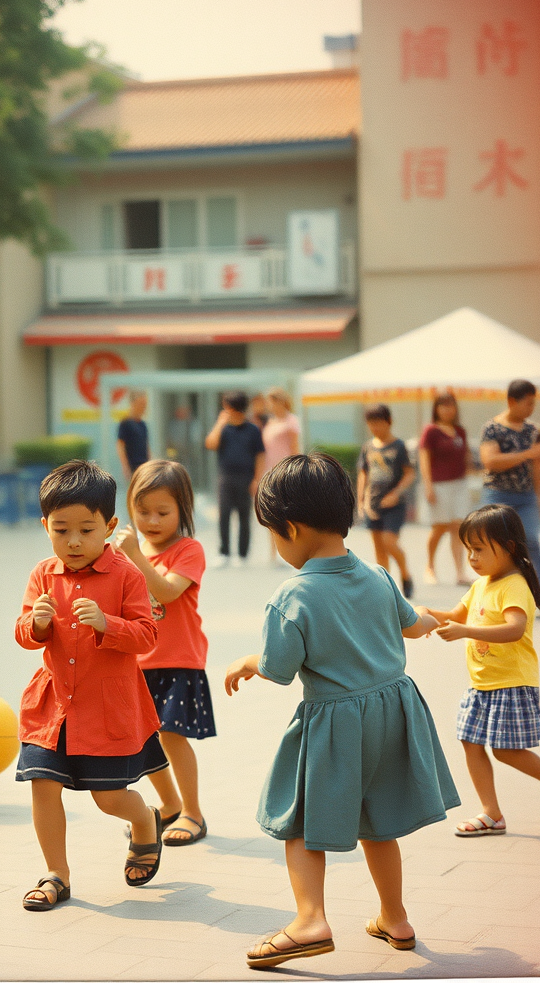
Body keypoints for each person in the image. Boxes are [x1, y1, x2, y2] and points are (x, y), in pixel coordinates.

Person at [224, 453, 457, 970]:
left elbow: (278, 667)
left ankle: (310, 920)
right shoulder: (376, 574)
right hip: (394, 713)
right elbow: (412, 623)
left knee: (299, 822)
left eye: (274, 535)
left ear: (292, 528)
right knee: (380, 823)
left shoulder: (294, 595)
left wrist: (246, 661)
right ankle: (395, 918)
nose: (277, 546)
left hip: (335, 723)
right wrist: (434, 619)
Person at [14, 460, 166, 909]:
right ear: (45, 526)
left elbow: (148, 635)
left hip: (105, 708)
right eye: (61, 530)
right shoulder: (43, 574)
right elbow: (24, 632)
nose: (73, 541)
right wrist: (35, 625)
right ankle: (56, 875)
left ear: (110, 526)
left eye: (86, 529)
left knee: (108, 797)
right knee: (43, 784)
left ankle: (144, 820)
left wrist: (108, 624)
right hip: (53, 706)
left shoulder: (128, 575)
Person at [421, 505, 540, 838]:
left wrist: (466, 631)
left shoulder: (514, 585)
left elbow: (514, 629)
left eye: (479, 549)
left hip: (511, 683)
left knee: (505, 750)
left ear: (508, 547)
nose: (472, 557)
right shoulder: (482, 583)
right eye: (468, 549)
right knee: (469, 741)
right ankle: (491, 813)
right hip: (481, 683)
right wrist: (422, 614)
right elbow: (454, 613)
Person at [115, 460, 214, 845]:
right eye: (142, 512)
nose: (152, 520)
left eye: (162, 512)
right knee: (145, 740)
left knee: (172, 735)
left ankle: (193, 812)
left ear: (183, 510)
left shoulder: (188, 550)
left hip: (177, 659)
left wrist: (136, 556)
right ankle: (169, 805)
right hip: (137, 662)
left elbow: (168, 592)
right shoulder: (127, 553)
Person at [478, 379, 540, 614]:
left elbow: (537, 466)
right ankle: (491, 597)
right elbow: (490, 461)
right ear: (512, 401)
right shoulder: (492, 428)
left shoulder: (532, 430)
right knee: (494, 545)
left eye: (533, 403)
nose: (531, 408)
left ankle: (538, 596)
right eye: (528, 403)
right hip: (497, 494)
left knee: (531, 540)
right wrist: (528, 453)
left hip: (526, 495)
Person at [357, 403, 415, 597]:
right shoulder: (368, 447)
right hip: (373, 503)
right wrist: (361, 499)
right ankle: (386, 587)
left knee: (389, 542)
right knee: (379, 548)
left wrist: (396, 493)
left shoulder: (398, 446)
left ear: (388, 422)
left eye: (379, 423)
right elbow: (363, 474)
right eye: (371, 424)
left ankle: (405, 575)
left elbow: (409, 473)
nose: (375, 428)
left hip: (394, 504)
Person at [205, 390, 265, 568]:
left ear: (232, 407)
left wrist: (257, 479)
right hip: (226, 476)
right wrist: (220, 423)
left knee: (244, 515)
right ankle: (224, 552)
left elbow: (260, 455)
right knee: (224, 514)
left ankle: (243, 554)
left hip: (246, 477)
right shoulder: (223, 428)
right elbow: (210, 444)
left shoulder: (252, 429)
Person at [418, 392, 472, 586]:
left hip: (459, 484)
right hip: (439, 485)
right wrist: (428, 485)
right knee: (439, 527)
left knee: (458, 527)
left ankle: (460, 572)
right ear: (436, 408)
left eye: (450, 405)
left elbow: (465, 457)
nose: (447, 409)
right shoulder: (431, 431)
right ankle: (430, 566)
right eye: (443, 405)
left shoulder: (460, 431)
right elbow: (424, 459)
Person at [260, 387, 302, 565]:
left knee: (288, 514)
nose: (270, 405)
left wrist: (296, 471)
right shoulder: (270, 422)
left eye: (272, 401)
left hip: (286, 472)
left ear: (280, 401)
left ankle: (292, 550)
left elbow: (294, 448)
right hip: (270, 472)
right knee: (272, 512)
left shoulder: (291, 421)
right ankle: (274, 553)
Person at [116, 390, 151, 478]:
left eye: (145, 404)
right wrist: (125, 466)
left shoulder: (143, 424)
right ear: (133, 404)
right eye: (141, 404)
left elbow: (146, 445)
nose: (144, 407)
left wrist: (151, 462)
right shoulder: (125, 423)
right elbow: (120, 445)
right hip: (133, 466)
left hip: (144, 465)